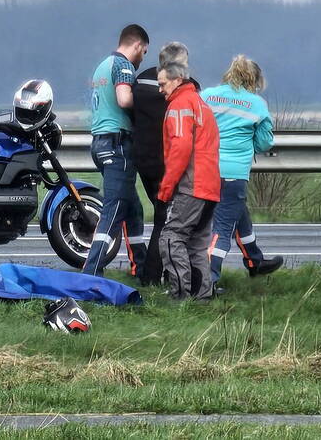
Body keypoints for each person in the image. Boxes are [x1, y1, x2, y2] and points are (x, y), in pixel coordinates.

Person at [201, 55, 283, 285]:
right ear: (255, 80)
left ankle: (255, 261)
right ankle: (209, 280)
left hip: (207, 169)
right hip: (234, 173)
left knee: (238, 215)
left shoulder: (208, 95)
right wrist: (249, 145)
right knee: (223, 227)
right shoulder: (256, 104)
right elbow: (265, 143)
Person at [82, 24, 148, 276]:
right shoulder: (123, 65)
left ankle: (141, 269)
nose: (143, 58)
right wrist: (146, 103)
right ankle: (91, 272)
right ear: (138, 45)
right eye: (144, 52)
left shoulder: (102, 65)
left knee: (133, 208)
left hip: (100, 142)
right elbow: (124, 99)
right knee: (114, 207)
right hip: (117, 144)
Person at [157, 61, 220, 300]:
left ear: (177, 80)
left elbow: (180, 149)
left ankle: (180, 295)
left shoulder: (180, 105)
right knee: (196, 245)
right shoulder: (202, 105)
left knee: (171, 237)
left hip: (193, 186)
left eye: (162, 84)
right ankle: (203, 296)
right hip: (211, 187)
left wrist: (165, 189)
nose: (160, 89)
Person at [132, 42, 190, 286]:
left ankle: (153, 274)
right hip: (168, 161)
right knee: (166, 220)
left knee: (160, 216)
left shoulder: (141, 81)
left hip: (143, 160)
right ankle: (155, 277)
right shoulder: (183, 86)